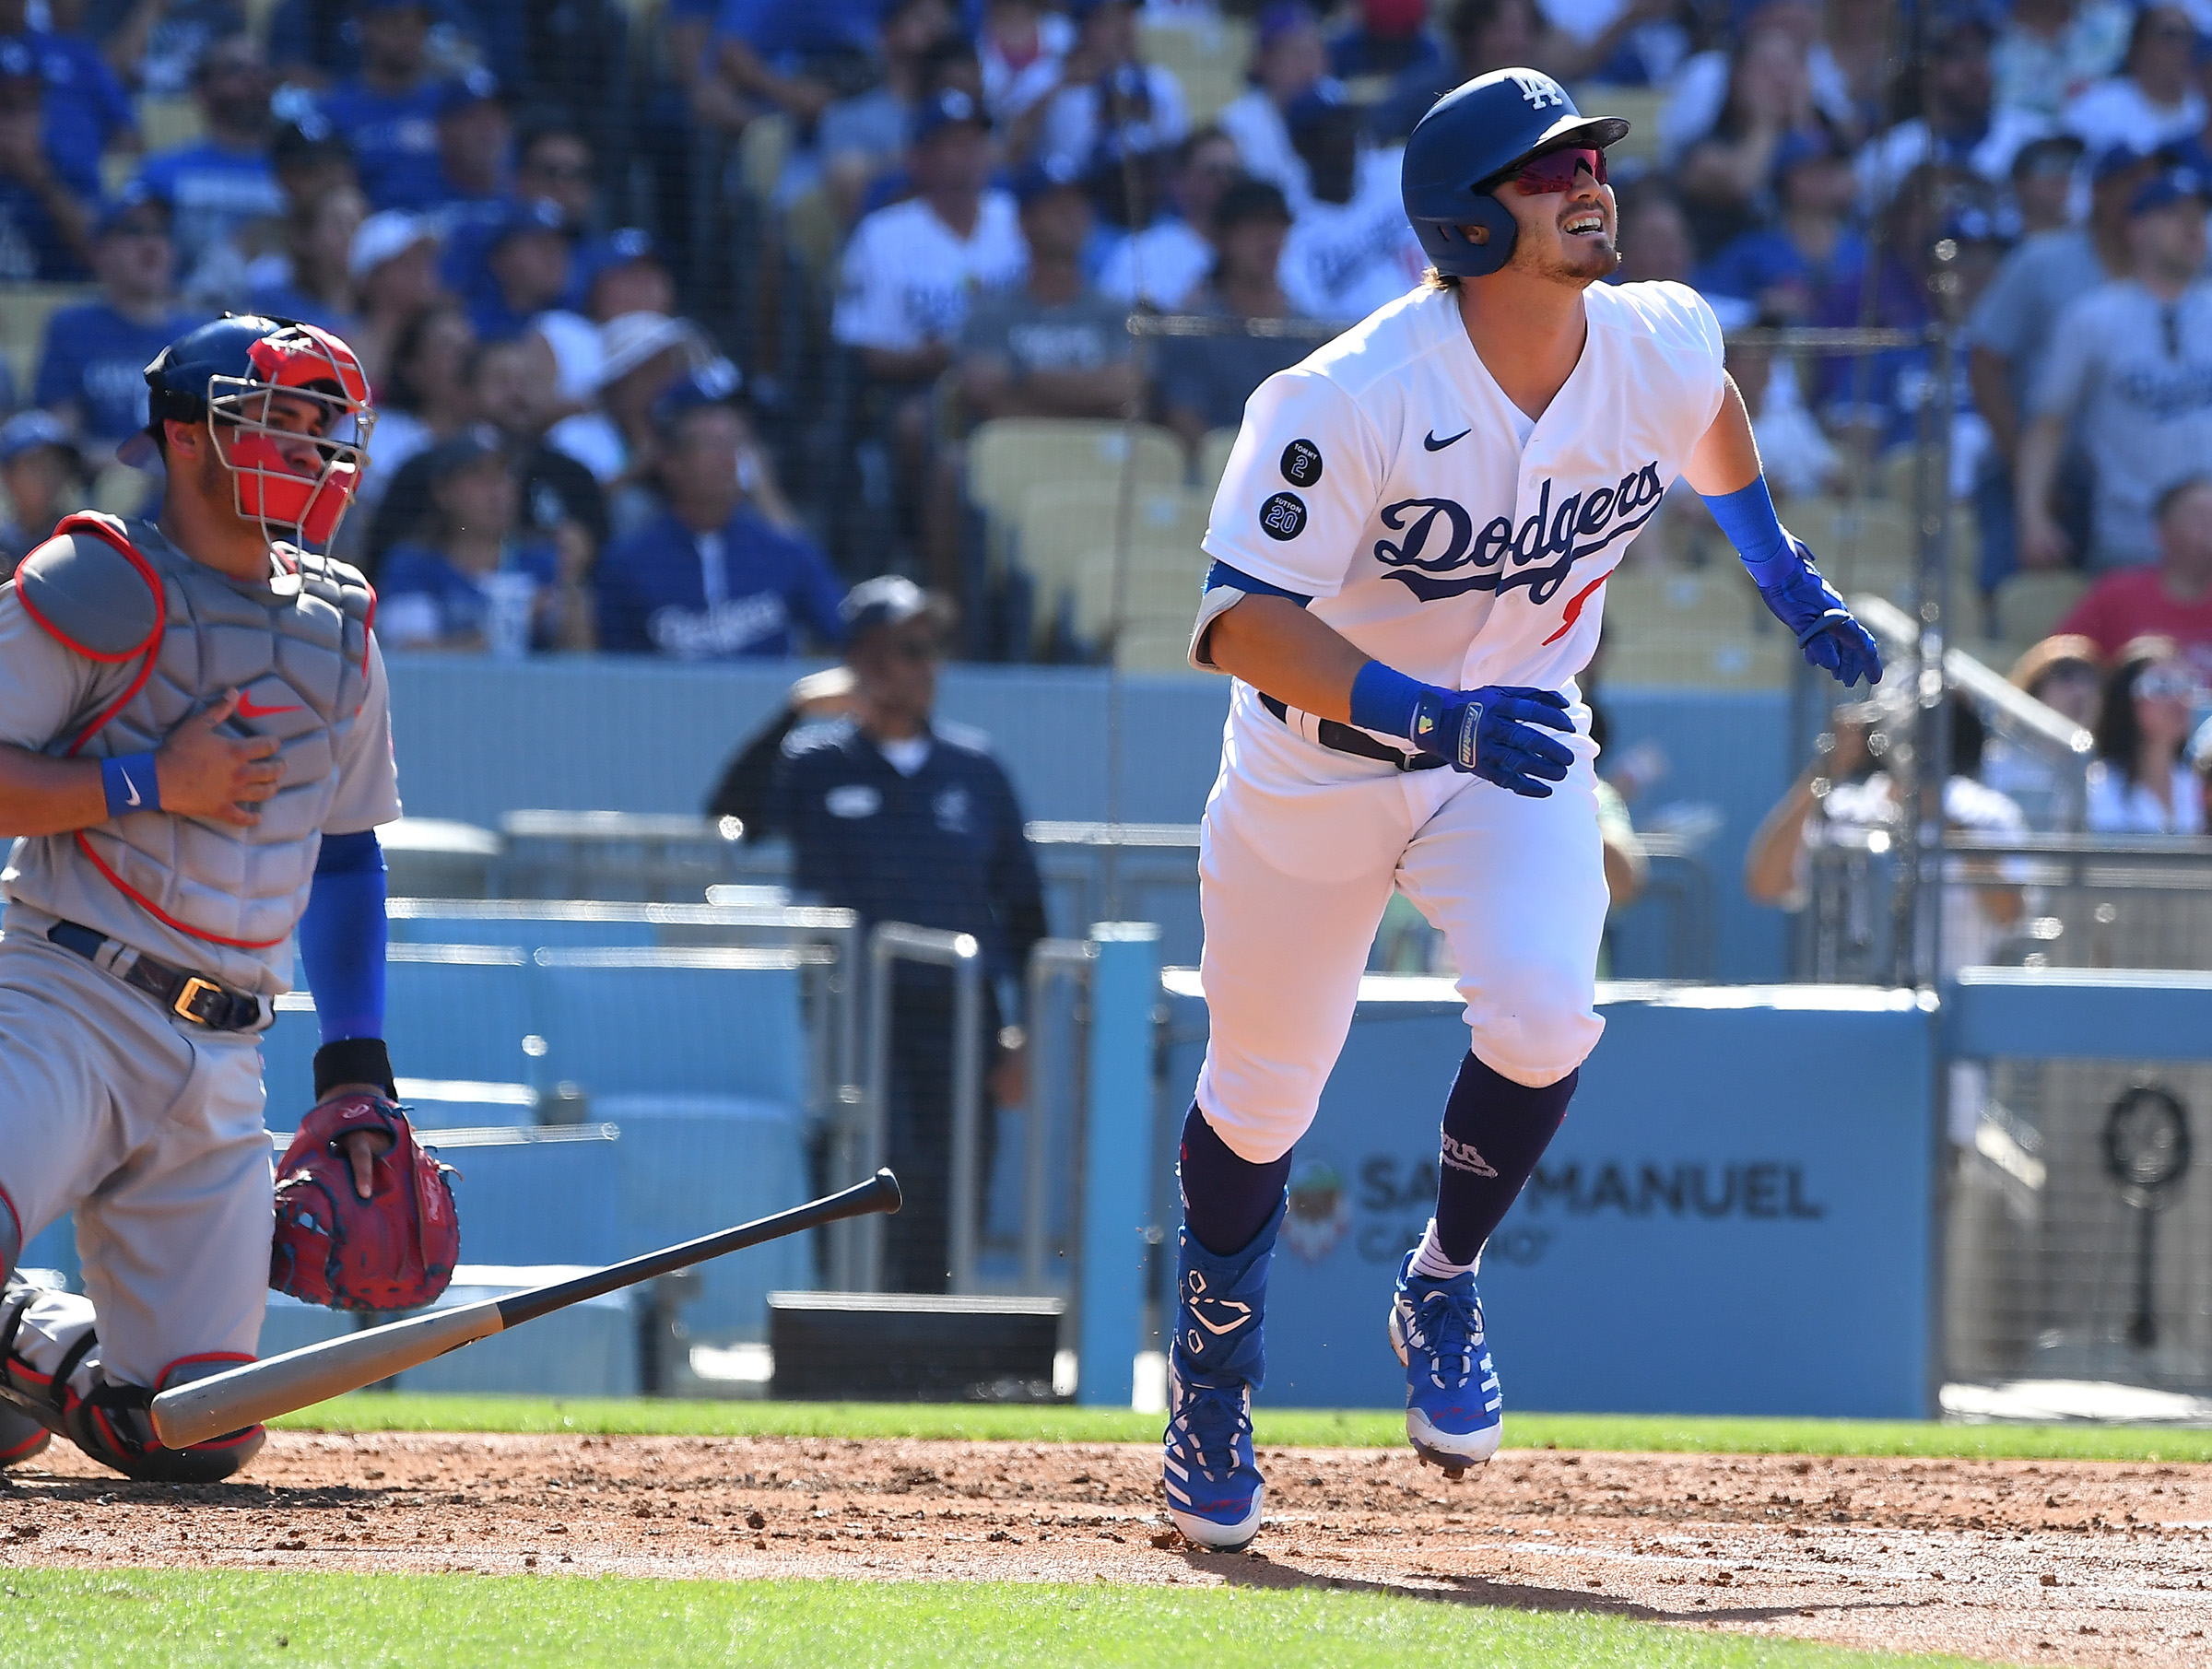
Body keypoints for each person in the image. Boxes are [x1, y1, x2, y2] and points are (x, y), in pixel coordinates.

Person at [1159, 69, 1879, 1553]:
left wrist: (1784, 571)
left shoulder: (1658, 334)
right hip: (1318, 766)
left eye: (1589, 157)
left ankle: (1440, 1275)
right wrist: (1431, 716)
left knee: (1549, 1012)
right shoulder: (1346, 393)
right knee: (1264, 1092)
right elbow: (1236, 623)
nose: (1586, 181)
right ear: (1468, 225)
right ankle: (1216, 1387)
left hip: (1524, 741)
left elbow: (1712, 415)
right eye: (1546, 169)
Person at [0, 314, 406, 1481]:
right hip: (71, 992)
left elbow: (343, 852)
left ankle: (28, 1347)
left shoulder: (341, 623)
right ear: (187, 435)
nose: (313, 446)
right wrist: (152, 781)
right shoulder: (93, 578)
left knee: (194, 1431)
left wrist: (357, 1065)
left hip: (227, 1046)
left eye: (323, 424)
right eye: (277, 419)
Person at [776, 576, 1046, 1292]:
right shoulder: (815, 761)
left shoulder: (976, 768)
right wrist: (795, 711)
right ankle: (848, 1333)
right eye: (908, 648)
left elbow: (1023, 907)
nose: (927, 666)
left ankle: (938, 1344)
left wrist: (1023, 1031)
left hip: (962, 1014)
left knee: (955, 1177)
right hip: (860, 1013)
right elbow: (730, 812)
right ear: (863, 659)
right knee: (866, 1167)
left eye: (933, 648)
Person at [1966, 141, 2147, 594]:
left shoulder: (2168, 274)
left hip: (2126, 485)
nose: (2142, 197)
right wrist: (2022, 465)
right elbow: (1985, 365)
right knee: (2025, 607)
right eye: (2131, 185)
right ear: (2101, 192)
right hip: (2043, 471)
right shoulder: (2042, 261)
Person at [2017, 164, 2212, 574]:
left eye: (2200, 214)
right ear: (2137, 229)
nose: (2194, 227)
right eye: (2175, 214)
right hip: (2131, 542)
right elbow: (2049, 424)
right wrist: (2033, 518)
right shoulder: (2092, 318)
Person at [594, 385, 845, 659]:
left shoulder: (783, 553)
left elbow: (847, 637)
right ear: (671, 462)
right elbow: (611, 674)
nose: (727, 460)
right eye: (711, 446)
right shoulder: (629, 563)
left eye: (734, 445)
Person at [363, 334, 607, 572]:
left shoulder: (573, 476)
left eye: (527, 382)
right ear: (464, 395)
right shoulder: (423, 470)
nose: (517, 394)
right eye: (502, 382)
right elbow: (382, 560)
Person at [375, 424, 589, 653]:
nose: (498, 491)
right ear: (443, 491)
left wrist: (571, 579)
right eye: (479, 475)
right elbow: (414, 656)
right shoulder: (413, 564)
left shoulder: (543, 561)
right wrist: (517, 622)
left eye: (505, 475)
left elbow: (581, 656)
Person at [34, 188, 204, 462]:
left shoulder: (200, 337)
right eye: (134, 232)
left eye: (161, 232)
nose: (151, 244)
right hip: (99, 489)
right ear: (101, 253)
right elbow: (60, 434)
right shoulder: (72, 328)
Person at [1156, 178, 1313, 453]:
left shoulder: (1310, 332)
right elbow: (1183, 419)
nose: (1269, 238)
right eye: (1254, 226)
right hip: (1216, 480)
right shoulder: (1193, 328)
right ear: (1223, 239)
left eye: (1277, 226)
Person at [131, 33, 285, 304]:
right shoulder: (162, 173)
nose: (253, 81)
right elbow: (128, 250)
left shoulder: (298, 174)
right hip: (188, 316)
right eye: (237, 71)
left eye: (261, 72)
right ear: (201, 92)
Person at [1277, 87, 1427, 322]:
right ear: (1302, 145)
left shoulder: (1399, 172)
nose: (1347, 141)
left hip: (1431, 325)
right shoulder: (1288, 225)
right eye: (1333, 132)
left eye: (1350, 127)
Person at [2057, 475, 2212, 684]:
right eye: (2199, 515)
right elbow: (2059, 666)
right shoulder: (2117, 595)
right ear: (2163, 531)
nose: (2209, 526)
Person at [318, 0, 447, 213]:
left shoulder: (449, 104)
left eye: (417, 24)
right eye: (395, 23)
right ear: (365, 27)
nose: (408, 35)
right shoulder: (334, 110)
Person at [1095, 125, 1241, 311]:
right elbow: (1116, 325)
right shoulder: (1141, 252)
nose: (1225, 181)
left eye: (1234, 173)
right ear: (1182, 180)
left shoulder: (1274, 248)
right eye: (1212, 172)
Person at [1218, 3, 1332, 213]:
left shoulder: (1338, 103)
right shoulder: (1236, 124)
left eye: (1314, 52)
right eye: (1295, 53)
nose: (1308, 65)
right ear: (1264, 61)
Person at [2088, 634, 2206, 834]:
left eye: (2187, 683)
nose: (2179, 698)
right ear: (2125, 698)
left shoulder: (2195, 783)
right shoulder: (2095, 785)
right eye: (2161, 685)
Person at [0, 38, 94, 280]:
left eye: (30, 107)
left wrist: (40, 180)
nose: (18, 121)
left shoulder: (68, 169)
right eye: (6, 107)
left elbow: (97, 253)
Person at [2063, 4, 2205, 159]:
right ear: (2136, 47)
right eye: (2170, 35)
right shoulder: (2096, 108)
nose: (2183, 47)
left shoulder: (2204, 110)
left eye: (2189, 36)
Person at [245, 181, 365, 337]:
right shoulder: (270, 304)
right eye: (338, 225)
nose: (351, 236)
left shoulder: (381, 310)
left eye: (358, 224)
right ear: (305, 237)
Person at [0, 410, 88, 578]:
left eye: (55, 466)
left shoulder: (81, 540)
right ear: (8, 475)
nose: (47, 476)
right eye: (35, 466)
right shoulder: (3, 541)